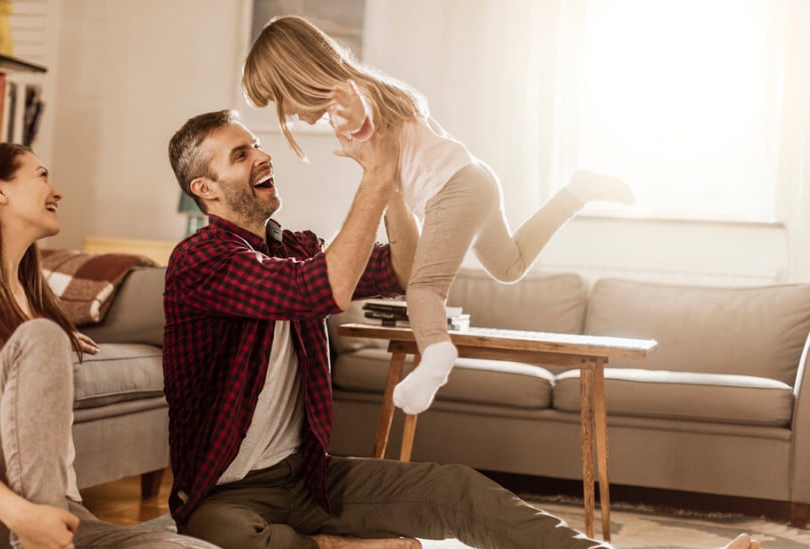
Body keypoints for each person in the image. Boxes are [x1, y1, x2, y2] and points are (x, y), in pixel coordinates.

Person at [163, 109, 760, 549]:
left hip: (304, 477)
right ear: (206, 189)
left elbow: (404, 269)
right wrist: (372, 180)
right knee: (223, 543)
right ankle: (334, 547)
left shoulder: (293, 247)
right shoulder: (199, 260)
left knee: (456, 488)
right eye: (241, 155)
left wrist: (392, 180)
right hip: (227, 496)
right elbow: (314, 292)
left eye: (257, 144)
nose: (261, 155)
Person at [242, 15, 638, 415]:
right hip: (474, 179)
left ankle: (435, 355)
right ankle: (576, 193)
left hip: (453, 189)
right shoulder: (367, 90)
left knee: (424, 288)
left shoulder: (349, 97)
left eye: (280, 98)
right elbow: (385, 162)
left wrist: (345, 111)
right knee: (510, 265)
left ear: (297, 76)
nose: (286, 113)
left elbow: (359, 113)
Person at [0, 143, 234, 549]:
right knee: (42, 336)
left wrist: (53, 344)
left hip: (56, 514)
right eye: (41, 176)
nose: (56, 190)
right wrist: (26, 519)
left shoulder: (33, 303)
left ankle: (43, 541)